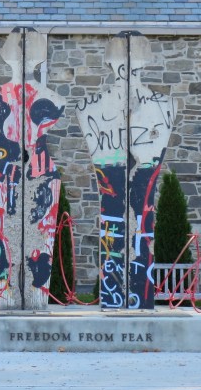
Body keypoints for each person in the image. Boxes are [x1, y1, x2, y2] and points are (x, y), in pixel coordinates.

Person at [75, 33, 175, 309]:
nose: (127, 67)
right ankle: (116, 295)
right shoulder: (90, 106)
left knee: (139, 225)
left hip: (138, 190)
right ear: (109, 63)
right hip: (113, 187)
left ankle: (136, 296)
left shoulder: (164, 105)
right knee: (115, 225)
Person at [0, 29, 64, 310]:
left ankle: (36, 296)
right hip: (3, 177)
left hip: (42, 176)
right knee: (3, 244)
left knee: (40, 245)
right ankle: (8, 296)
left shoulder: (53, 99)